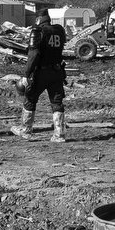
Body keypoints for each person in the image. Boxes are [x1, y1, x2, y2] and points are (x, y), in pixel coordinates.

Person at [12, 8, 68, 142]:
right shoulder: (59, 31)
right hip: (57, 71)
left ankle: (26, 130)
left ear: (39, 19)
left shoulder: (38, 31)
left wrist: (27, 73)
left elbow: (34, 54)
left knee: (30, 98)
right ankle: (59, 135)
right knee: (57, 102)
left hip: (41, 72)